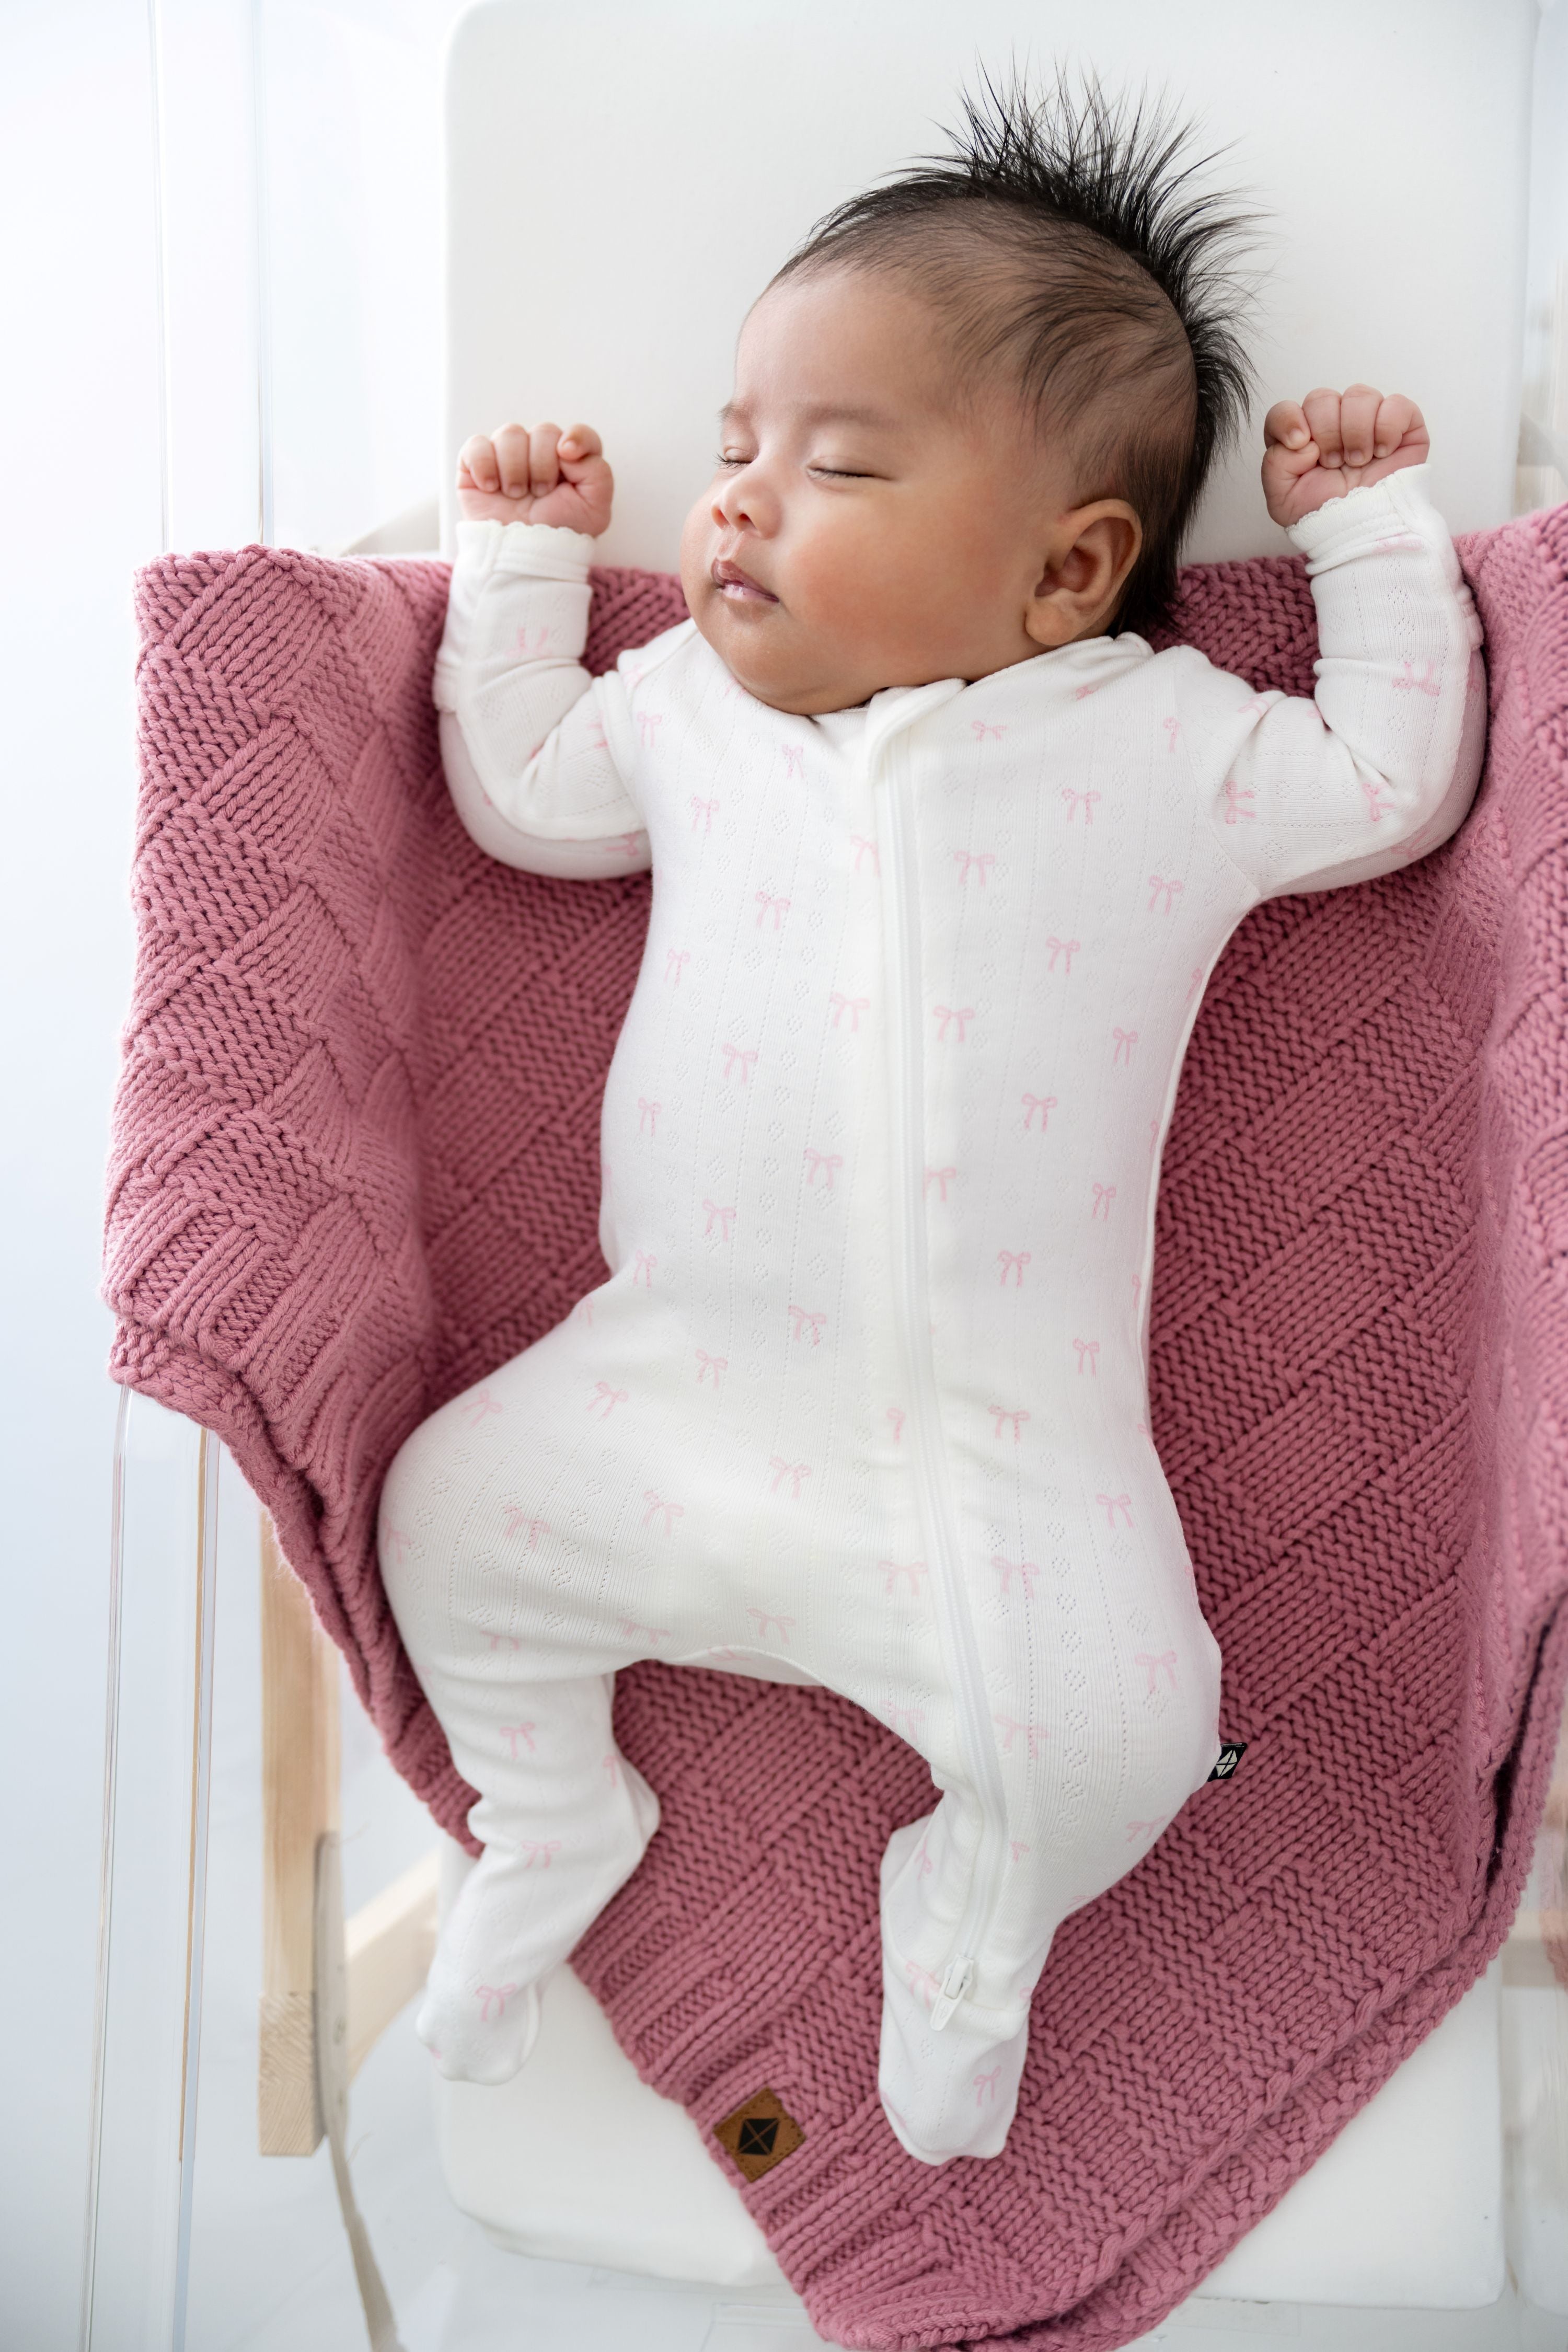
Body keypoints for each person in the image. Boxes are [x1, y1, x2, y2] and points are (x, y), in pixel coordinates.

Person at [379, 72, 1485, 2164]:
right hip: (671, 1401)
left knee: (1133, 1744)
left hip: (1002, 1475)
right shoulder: (693, 718)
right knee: (442, 1513)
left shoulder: (1167, 742)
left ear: (1072, 567)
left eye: (838, 461)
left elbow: (1389, 786)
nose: (735, 503)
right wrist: (515, 562)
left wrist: (1368, 535)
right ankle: (552, 1811)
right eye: (733, 452)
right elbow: (522, 795)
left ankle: (969, 1931)